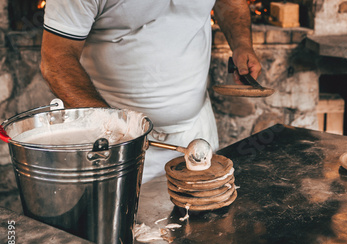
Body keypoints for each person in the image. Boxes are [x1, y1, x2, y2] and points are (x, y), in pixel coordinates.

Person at [40, 0, 261, 182]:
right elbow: (56, 59)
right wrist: (112, 127)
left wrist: (241, 44)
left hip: (196, 134)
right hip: (117, 145)